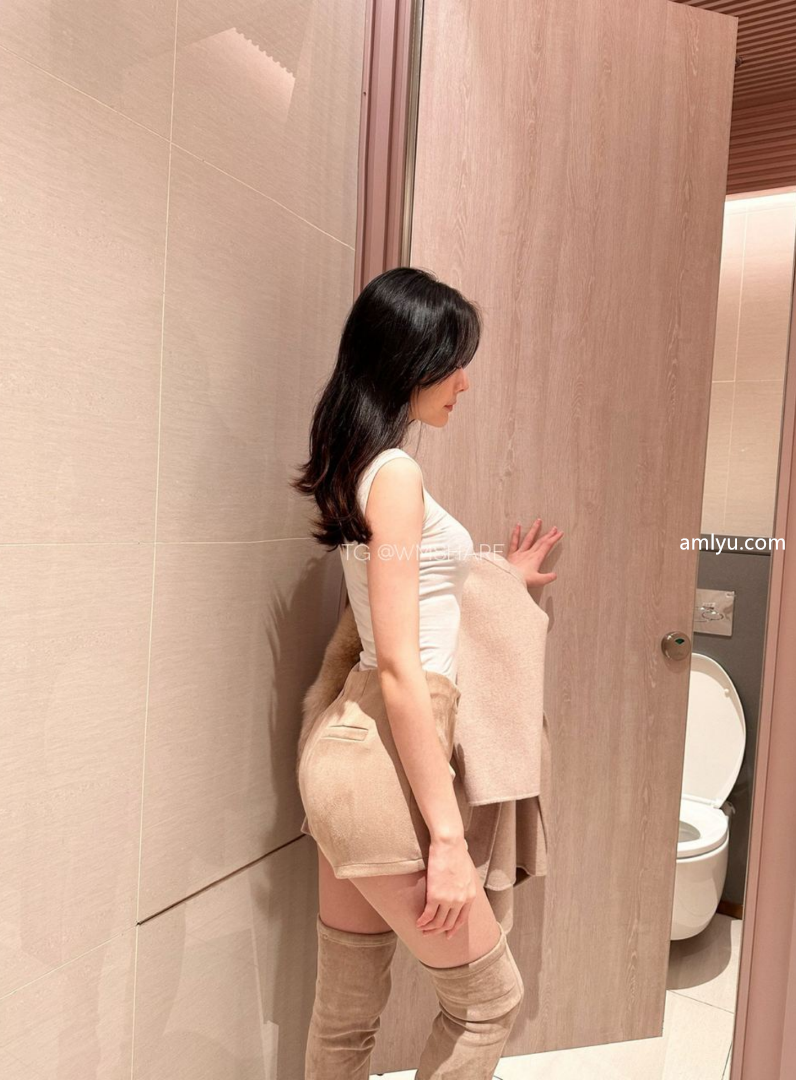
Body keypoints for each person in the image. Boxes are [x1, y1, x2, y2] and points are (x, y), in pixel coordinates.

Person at [291, 266, 562, 1079]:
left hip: (347, 758)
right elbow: (404, 669)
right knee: (489, 1003)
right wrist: (447, 838)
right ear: (408, 360)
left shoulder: (358, 466)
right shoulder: (398, 476)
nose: (463, 382)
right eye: (453, 362)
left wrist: (500, 575)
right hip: (381, 760)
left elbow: (407, 602)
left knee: (346, 1018)